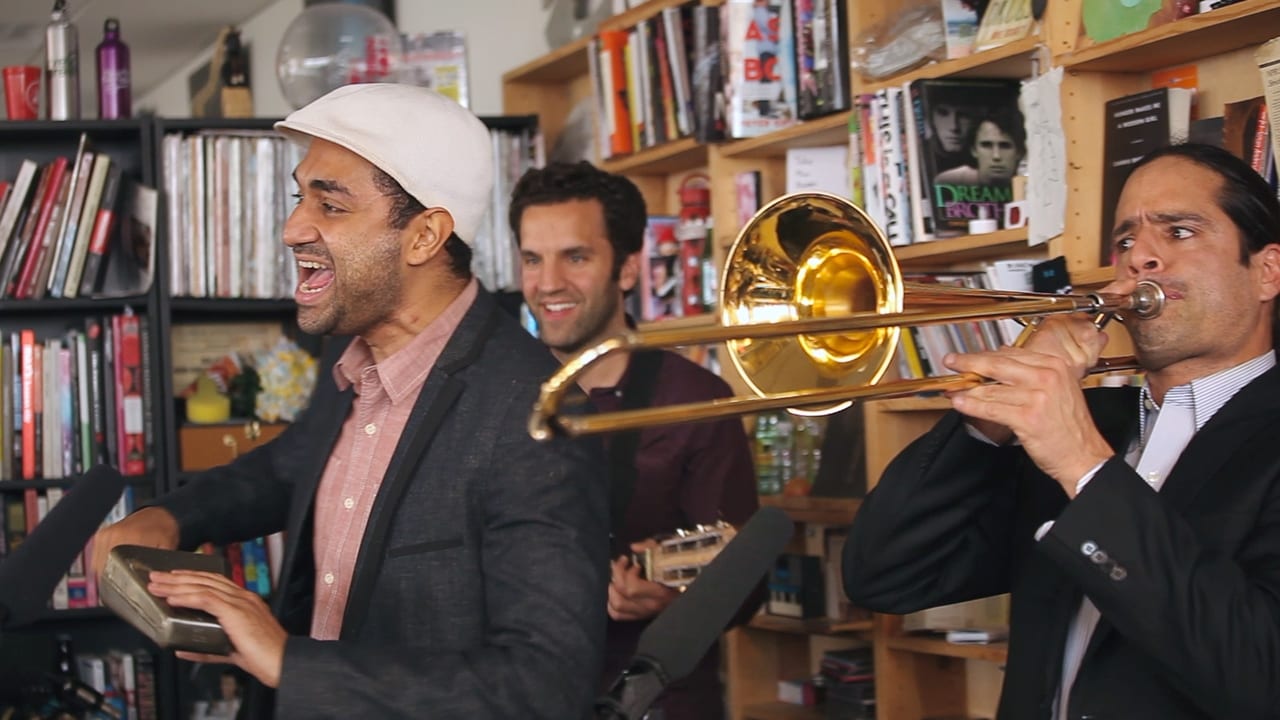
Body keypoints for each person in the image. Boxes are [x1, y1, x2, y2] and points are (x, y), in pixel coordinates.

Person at [90, 84, 609, 720]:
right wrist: (171, 518)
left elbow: (542, 688)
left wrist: (289, 662)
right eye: (299, 197)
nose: (292, 229)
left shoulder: (540, 419)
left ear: (424, 237)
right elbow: (292, 465)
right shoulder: (354, 361)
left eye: (330, 206)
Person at [842, 141, 1280, 719]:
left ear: (1267, 271)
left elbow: (1261, 678)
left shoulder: (1077, 442)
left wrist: (1085, 467)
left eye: (1178, 232)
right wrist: (988, 418)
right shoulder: (1081, 424)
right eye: (1126, 240)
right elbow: (885, 575)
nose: (1138, 257)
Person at [509, 161, 759, 720]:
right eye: (532, 259)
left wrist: (670, 598)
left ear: (627, 269)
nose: (547, 283)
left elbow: (746, 587)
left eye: (575, 257)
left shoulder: (695, 399)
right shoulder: (489, 398)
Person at [933, 106, 1026, 187]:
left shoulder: (1030, 186)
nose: (996, 156)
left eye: (1005, 146)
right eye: (986, 145)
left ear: (1019, 152)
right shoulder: (949, 181)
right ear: (974, 150)